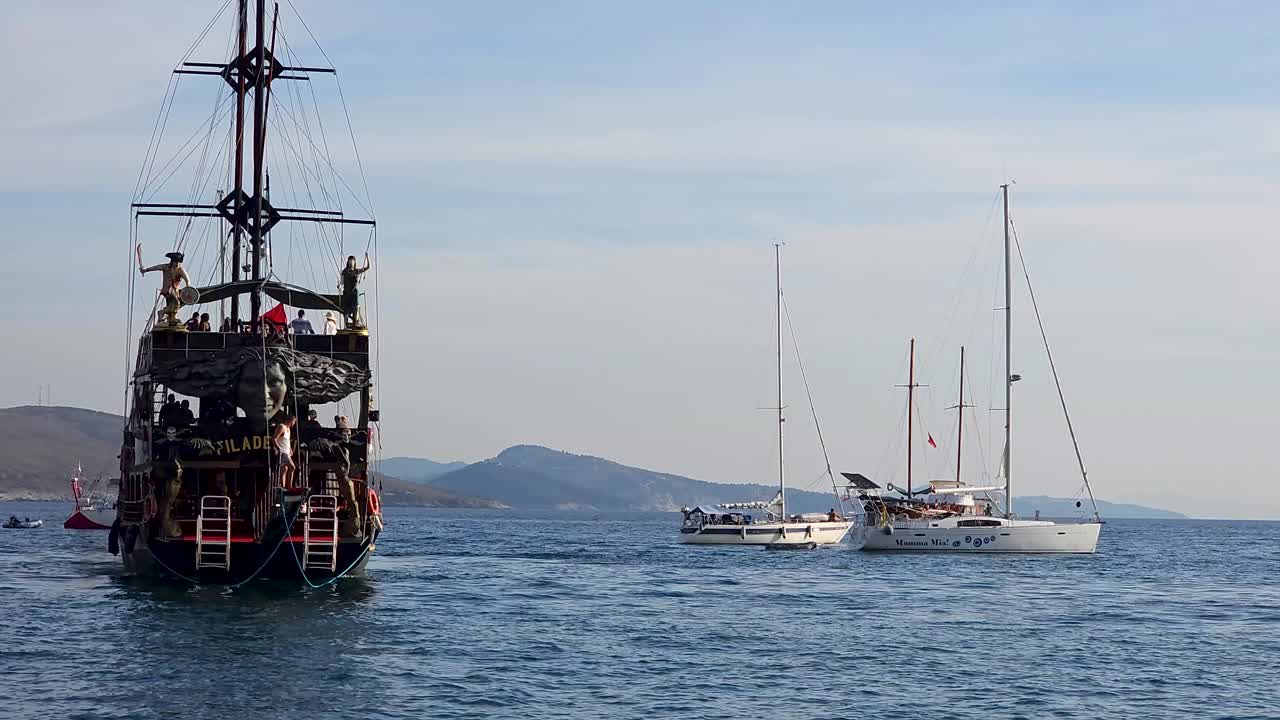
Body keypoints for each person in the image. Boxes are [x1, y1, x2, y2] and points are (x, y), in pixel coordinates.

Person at [137, 246, 192, 326]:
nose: (177, 264)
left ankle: (171, 318)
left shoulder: (180, 270)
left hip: (173, 290)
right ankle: (161, 313)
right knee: (176, 304)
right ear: (172, 261)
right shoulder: (166, 267)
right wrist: (146, 270)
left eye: (178, 262)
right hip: (169, 290)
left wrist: (188, 288)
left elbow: (187, 280)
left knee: (171, 305)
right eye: (176, 262)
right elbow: (155, 267)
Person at [339, 253, 370, 327]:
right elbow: (342, 282)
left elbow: (367, 267)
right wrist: (339, 286)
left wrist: (367, 257)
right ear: (348, 262)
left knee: (356, 307)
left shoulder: (356, 271)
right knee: (346, 309)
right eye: (350, 261)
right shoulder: (344, 271)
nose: (351, 262)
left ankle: (355, 323)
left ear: (355, 262)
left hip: (354, 293)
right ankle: (345, 325)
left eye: (352, 261)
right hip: (346, 292)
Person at [274, 415, 297, 489]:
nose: (294, 424)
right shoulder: (282, 427)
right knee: (292, 467)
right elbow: (274, 438)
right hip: (282, 452)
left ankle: (283, 487)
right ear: (290, 420)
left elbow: (287, 440)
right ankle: (290, 486)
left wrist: (290, 449)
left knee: (284, 469)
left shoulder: (288, 429)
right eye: (294, 422)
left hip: (287, 452)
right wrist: (278, 448)